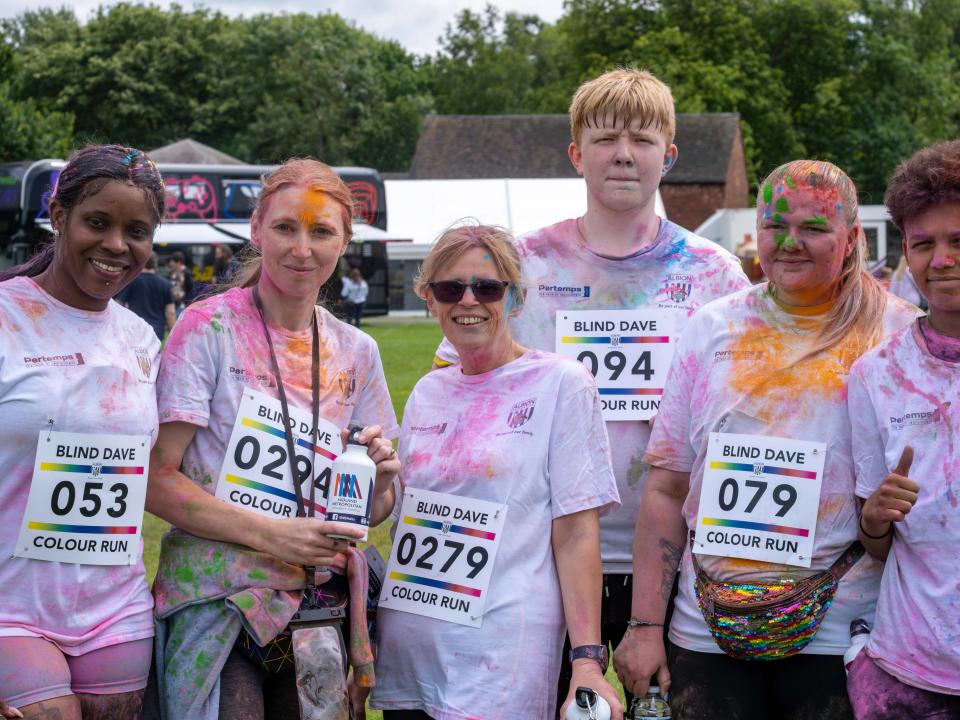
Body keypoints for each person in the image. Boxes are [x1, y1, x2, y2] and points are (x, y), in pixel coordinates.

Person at [433, 67, 750, 710]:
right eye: (605, 139)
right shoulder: (520, 265)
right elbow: (453, 383)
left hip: (670, 556)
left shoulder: (715, 275)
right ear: (577, 154)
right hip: (535, 552)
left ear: (671, 155)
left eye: (641, 139)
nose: (624, 154)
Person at [615, 160, 920, 719]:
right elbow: (665, 488)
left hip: (842, 633)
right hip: (706, 631)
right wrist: (644, 625)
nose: (790, 243)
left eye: (814, 228)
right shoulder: (711, 328)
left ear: (852, 238)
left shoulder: (898, 335)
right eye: (775, 226)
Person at [146, 159, 400, 719]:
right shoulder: (207, 327)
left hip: (321, 608)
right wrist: (273, 535)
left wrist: (380, 479)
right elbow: (156, 480)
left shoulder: (357, 352)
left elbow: (375, 511)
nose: (301, 248)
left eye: (321, 231)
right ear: (256, 230)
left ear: (344, 242)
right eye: (285, 227)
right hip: (217, 602)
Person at [371, 224, 623, 719]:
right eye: (450, 289)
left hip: (501, 658)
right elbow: (401, 514)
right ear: (430, 300)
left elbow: (575, 533)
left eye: (487, 287)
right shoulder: (427, 392)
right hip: (410, 647)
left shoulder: (562, 384)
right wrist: (378, 480)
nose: (468, 301)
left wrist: (589, 660)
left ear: (515, 299)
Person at [0, 145, 165, 720]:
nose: (117, 245)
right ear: (59, 216)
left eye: (136, 231)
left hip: (114, 605)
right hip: (10, 603)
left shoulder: (142, 340)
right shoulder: (5, 316)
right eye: (98, 222)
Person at [846, 139, 960, 718]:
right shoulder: (877, 376)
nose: (942, 260)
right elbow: (874, 541)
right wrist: (874, 517)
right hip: (907, 676)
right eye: (924, 244)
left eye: (958, 240)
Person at [116, 252, 176, 340]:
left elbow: (118, 305)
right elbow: (171, 312)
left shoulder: (130, 281)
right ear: (155, 263)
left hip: (134, 329)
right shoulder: (165, 283)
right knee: (153, 354)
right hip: (157, 331)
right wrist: (173, 335)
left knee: (136, 353)